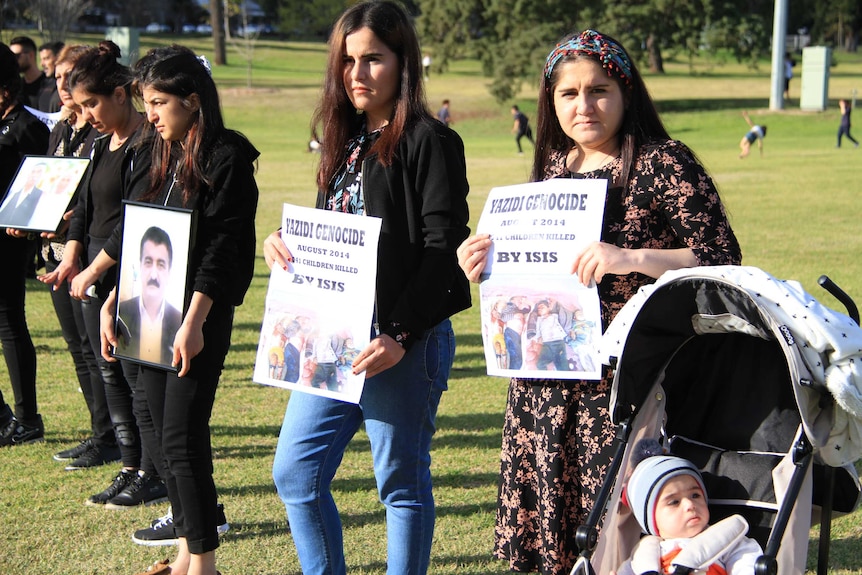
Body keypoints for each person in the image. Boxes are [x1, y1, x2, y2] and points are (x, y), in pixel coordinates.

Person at [456, 29, 741, 575]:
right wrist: (484, 263)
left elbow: (722, 259)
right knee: (550, 535)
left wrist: (632, 258)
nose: (584, 105)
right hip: (544, 380)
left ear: (626, 92)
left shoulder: (664, 162)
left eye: (599, 89)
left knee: (615, 532)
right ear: (550, 101)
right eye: (568, 94)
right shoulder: (552, 171)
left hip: (627, 383)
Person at [264, 2, 471, 573]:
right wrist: (286, 242)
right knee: (296, 474)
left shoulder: (431, 141)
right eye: (348, 60)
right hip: (332, 340)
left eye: (373, 58)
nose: (357, 73)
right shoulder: (345, 140)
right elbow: (337, 232)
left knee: (400, 482)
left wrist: (402, 333)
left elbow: (442, 251)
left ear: (404, 61)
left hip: (402, 343)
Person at [93, 44, 258, 575]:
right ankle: (186, 552)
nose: (152, 114)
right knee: (164, 437)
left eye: (160, 102)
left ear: (193, 100)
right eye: (146, 102)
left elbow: (223, 249)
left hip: (194, 320)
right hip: (146, 313)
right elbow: (137, 229)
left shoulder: (227, 156)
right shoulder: (156, 153)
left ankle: (203, 564)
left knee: (184, 436)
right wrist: (115, 296)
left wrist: (193, 323)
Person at [37, 41, 167, 507]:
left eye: (92, 102)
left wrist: (92, 268)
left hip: (131, 271)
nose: (86, 113)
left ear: (119, 93)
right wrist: (72, 257)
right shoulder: (97, 144)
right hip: (91, 270)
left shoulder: (148, 145)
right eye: (82, 103)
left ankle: (155, 473)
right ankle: (130, 467)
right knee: (109, 372)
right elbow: (85, 208)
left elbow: (135, 221)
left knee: (137, 378)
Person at [40, 43, 118, 470]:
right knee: (79, 347)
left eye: (70, 76)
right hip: (63, 250)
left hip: (96, 255)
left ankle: (112, 439)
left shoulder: (100, 132)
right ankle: (100, 432)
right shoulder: (62, 129)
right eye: (58, 78)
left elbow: (97, 202)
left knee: (98, 351)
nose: (63, 85)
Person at [613, 439, 763, 575]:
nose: (690, 505)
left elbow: (746, 561)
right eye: (674, 502)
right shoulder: (643, 554)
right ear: (651, 519)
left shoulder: (725, 540)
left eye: (695, 495)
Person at [0, 42, 49, 448]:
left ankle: (26, 416)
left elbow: (45, 184)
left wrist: (27, 225)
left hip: (8, 242)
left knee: (9, 322)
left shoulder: (24, 126)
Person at [116, 226, 183, 366]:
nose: (153, 275)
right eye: (148, 262)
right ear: (140, 265)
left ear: (169, 271)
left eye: (160, 265)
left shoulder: (180, 323)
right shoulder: (121, 314)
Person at [0, 160, 46, 226]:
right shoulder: (13, 191)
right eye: (33, 172)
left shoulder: (41, 195)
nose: (35, 175)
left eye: (39, 172)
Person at [38, 41, 63, 113]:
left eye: (46, 59)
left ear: (59, 58)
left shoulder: (69, 87)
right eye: (41, 59)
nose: (42, 64)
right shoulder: (44, 83)